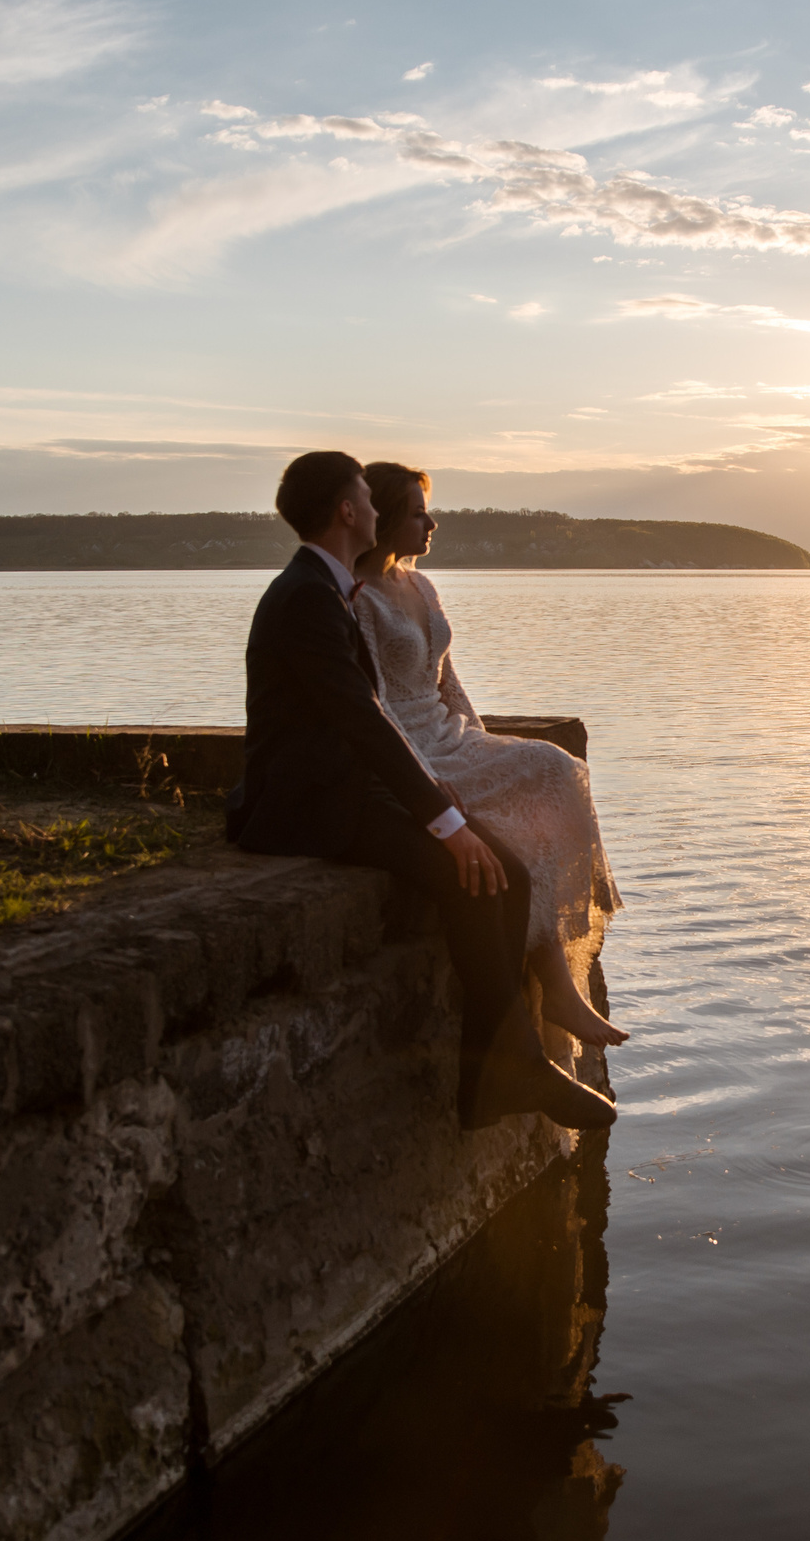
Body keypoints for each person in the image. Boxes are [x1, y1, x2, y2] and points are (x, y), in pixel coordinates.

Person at [226, 449, 615, 1132]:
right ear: (349, 511)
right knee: (471, 870)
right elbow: (366, 722)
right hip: (311, 805)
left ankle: (498, 1075)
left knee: (509, 873)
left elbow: (375, 718)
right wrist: (445, 820)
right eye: (371, 502)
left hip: (352, 785)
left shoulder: (326, 588)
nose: (379, 513)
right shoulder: (310, 599)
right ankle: (509, 1071)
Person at [351, 460, 626, 1051]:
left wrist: (483, 742)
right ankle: (557, 988)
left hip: (452, 735)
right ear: (387, 518)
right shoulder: (359, 599)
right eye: (418, 512)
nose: (432, 522)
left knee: (557, 768)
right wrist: (422, 775)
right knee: (514, 829)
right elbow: (369, 702)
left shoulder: (422, 585)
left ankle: (560, 970)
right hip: (414, 748)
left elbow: (448, 682)